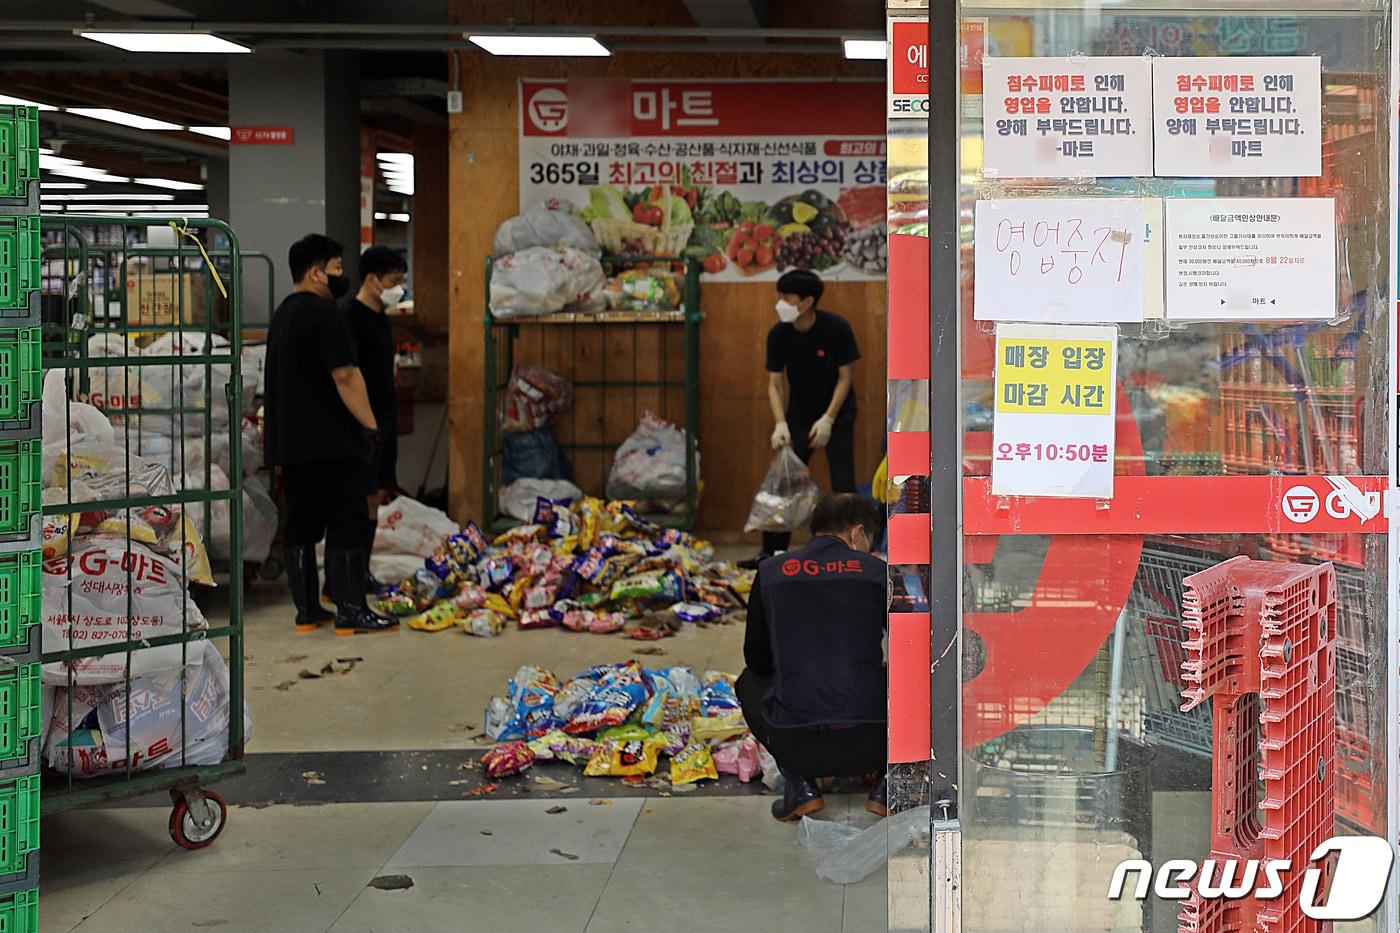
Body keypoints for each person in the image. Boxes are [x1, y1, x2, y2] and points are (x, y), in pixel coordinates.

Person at [264, 233, 397, 635]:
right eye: (337, 268)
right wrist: (370, 424)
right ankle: (351, 609)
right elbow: (345, 374)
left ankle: (307, 611)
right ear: (316, 272)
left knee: (301, 523)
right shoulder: (326, 315)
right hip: (330, 441)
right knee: (349, 520)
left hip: (290, 442)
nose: (342, 277)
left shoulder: (283, 314)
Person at [736, 493, 887, 822]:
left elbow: (757, 659)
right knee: (909, 673)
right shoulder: (878, 573)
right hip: (874, 739)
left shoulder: (771, 572)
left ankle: (801, 785)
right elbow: (910, 648)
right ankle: (887, 785)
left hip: (795, 740)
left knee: (749, 681)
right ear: (858, 532)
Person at [743, 269, 860, 569]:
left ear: (807, 301)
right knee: (784, 482)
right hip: (798, 415)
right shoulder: (778, 334)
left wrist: (829, 420)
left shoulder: (836, 328)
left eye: (786, 298)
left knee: (843, 484)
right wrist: (780, 423)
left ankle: (851, 552)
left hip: (837, 413)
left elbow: (845, 378)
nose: (779, 303)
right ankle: (771, 552)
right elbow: (775, 383)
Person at [341, 246, 408, 582]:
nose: (400, 288)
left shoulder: (381, 316)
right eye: (395, 281)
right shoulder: (348, 318)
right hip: (363, 424)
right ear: (371, 279)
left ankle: (362, 570)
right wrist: (366, 423)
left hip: (385, 417)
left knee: (377, 496)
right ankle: (348, 575)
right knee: (359, 498)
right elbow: (348, 376)